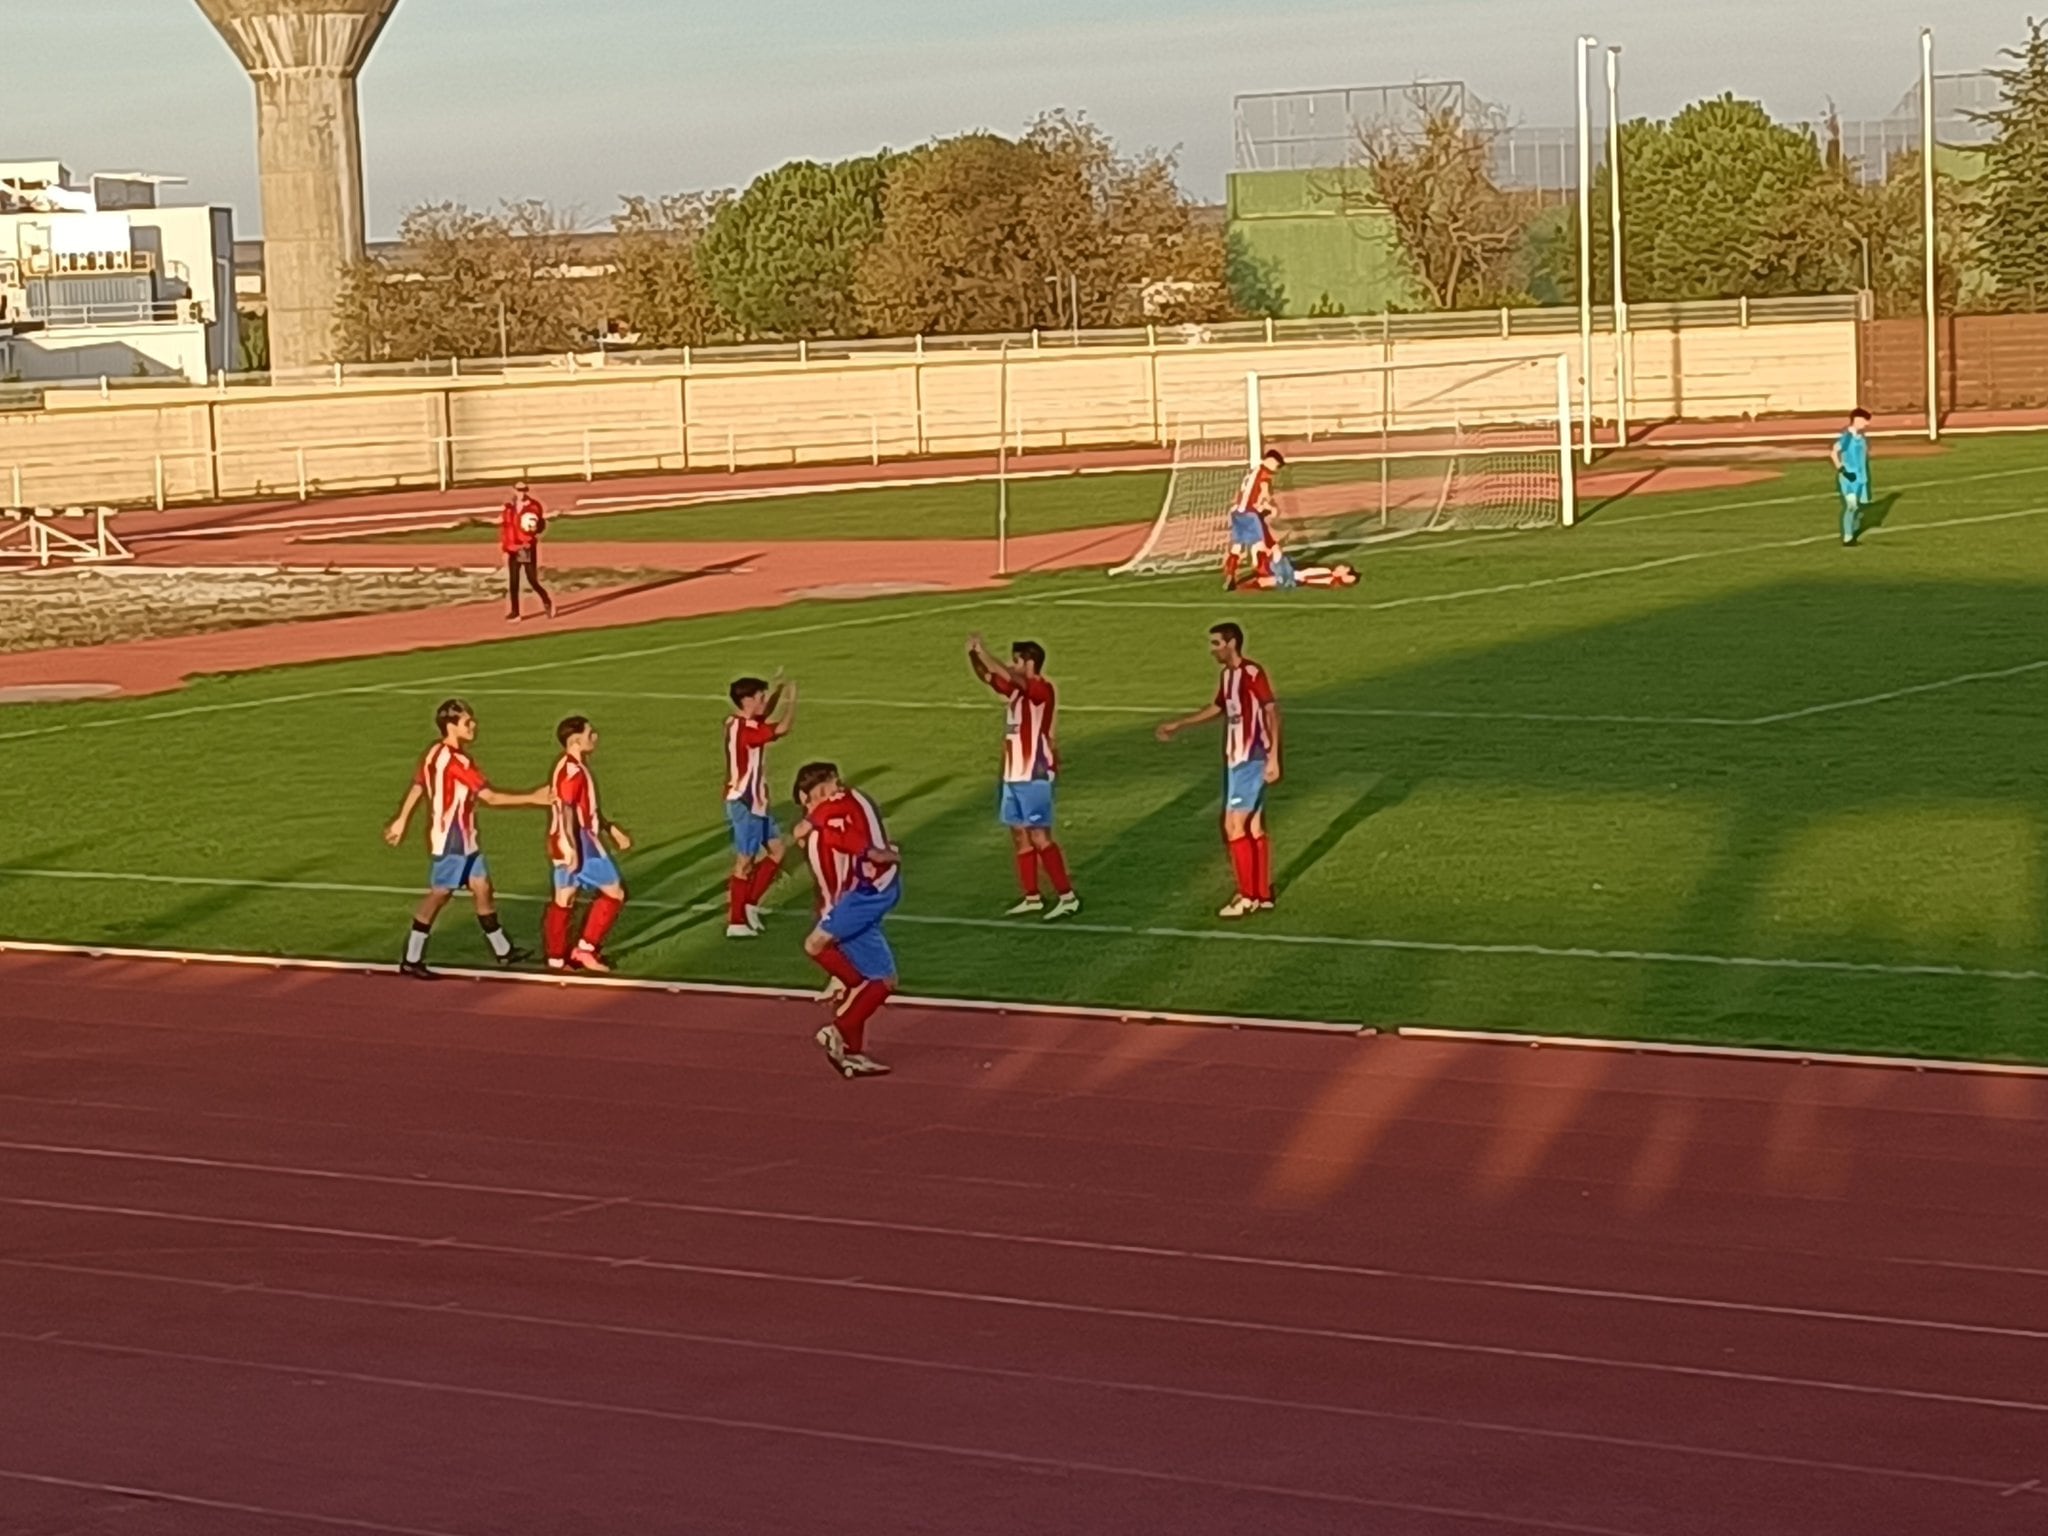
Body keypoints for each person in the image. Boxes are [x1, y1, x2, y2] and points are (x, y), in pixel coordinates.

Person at [382, 698, 552, 978]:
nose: (474, 726)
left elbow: (418, 785)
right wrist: (535, 798)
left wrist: (402, 819)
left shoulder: (433, 753)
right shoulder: (457, 761)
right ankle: (411, 957)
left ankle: (503, 951)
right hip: (452, 838)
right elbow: (491, 797)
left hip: (465, 836)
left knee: (482, 887)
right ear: (451, 726)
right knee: (440, 895)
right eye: (467, 722)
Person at [1154, 622, 1281, 919]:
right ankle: (1261, 895)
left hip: (1251, 757)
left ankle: (1246, 896)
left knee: (1233, 826)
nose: (1212, 650)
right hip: (1238, 759)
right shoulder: (1227, 676)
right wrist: (1181, 724)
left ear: (1231, 643)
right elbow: (1218, 708)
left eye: (1216, 644)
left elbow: (1271, 711)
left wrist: (1274, 757)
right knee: (1253, 827)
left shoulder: (1252, 673)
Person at [793, 762, 899, 1079]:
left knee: (865, 976)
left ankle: (843, 1017)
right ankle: (850, 1047)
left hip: (863, 895)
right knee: (878, 981)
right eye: (823, 791)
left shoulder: (832, 814)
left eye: (833, 786)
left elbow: (840, 833)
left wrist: (876, 853)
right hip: (860, 898)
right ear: (805, 796)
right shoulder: (832, 815)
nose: (832, 794)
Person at [967, 634, 1080, 920]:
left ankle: (1067, 896)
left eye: (1015, 659)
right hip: (1014, 773)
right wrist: (974, 656)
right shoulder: (1017, 693)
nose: (1009, 664)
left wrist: (985, 651)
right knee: (1019, 834)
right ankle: (1032, 896)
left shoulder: (1041, 689)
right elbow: (987, 677)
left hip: (1035, 771)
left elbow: (1007, 675)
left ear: (1029, 662)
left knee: (1040, 835)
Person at [543, 715, 632, 973]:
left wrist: (611, 828)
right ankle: (586, 949)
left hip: (561, 839)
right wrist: (573, 847)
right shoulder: (573, 771)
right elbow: (570, 810)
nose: (595, 737)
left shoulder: (566, 766)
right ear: (575, 740)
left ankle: (556, 958)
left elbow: (583, 808)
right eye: (590, 734)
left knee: (565, 897)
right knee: (615, 893)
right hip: (581, 842)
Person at [724, 673, 797, 939]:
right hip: (745, 801)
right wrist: (791, 699)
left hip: (756, 802)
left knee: (777, 850)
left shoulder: (738, 723)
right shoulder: (747, 731)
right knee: (744, 861)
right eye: (760, 696)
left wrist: (777, 690)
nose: (764, 701)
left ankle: (750, 904)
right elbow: (782, 728)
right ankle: (736, 921)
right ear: (747, 700)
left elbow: (763, 717)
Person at [1225, 447, 1286, 591]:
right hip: (1250, 514)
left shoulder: (1252, 472)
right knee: (1260, 546)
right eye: (1276, 466)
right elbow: (1264, 493)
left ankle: (1230, 574)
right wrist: (1270, 506)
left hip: (1237, 512)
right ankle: (1263, 575)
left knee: (1237, 547)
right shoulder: (1265, 474)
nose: (1276, 470)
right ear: (1270, 461)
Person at [501, 480, 554, 621]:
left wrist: (532, 534)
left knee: (532, 580)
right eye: (518, 490)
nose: (521, 493)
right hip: (513, 548)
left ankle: (546, 599)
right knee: (514, 581)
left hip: (526, 548)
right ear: (514, 490)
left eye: (524, 490)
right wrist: (506, 546)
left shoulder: (534, 507)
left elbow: (539, 525)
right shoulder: (508, 508)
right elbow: (506, 528)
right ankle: (515, 612)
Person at [1830, 408, 1873, 547]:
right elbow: (1834, 453)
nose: (1867, 424)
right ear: (1857, 420)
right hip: (1850, 478)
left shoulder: (1862, 437)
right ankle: (1848, 538)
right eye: (1865, 421)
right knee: (1851, 506)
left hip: (1861, 478)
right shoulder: (1847, 436)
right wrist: (1843, 470)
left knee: (1858, 508)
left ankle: (1851, 532)